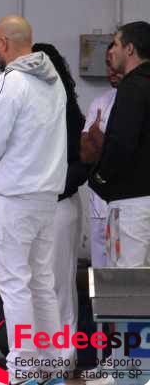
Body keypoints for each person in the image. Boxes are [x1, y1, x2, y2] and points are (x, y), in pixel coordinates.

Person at [0, 16, 67, 384]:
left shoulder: (11, 81)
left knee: (14, 285)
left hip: (14, 196)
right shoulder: (53, 82)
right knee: (42, 282)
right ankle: (52, 369)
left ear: (3, 44)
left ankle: (21, 373)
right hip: (46, 195)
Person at [33, 42, 89, 372]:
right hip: (28, 208)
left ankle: (63, 356)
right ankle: (38, 356)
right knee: (32, 285)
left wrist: (55, 186)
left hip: (58, 205)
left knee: (58, 282)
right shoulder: (23, 110)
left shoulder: (69, 113)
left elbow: (82, 164)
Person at [89, 21, 150, 267]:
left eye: (115, 44)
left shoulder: (133, 86)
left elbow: (121, 142)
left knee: (129, 282)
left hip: (132, 204)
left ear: (130, 48)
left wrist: (100, 177)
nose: (111, 50)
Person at [80, 44, 120, 268]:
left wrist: (96, 133)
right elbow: (86, 154)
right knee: (101, 272)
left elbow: (123, 154)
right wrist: (99, 140)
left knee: (129, 274)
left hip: (129, 205)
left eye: (114, 61)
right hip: (99, 205)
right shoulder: (101, 101)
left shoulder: (137, 101)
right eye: (107, 63)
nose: (111, 69)